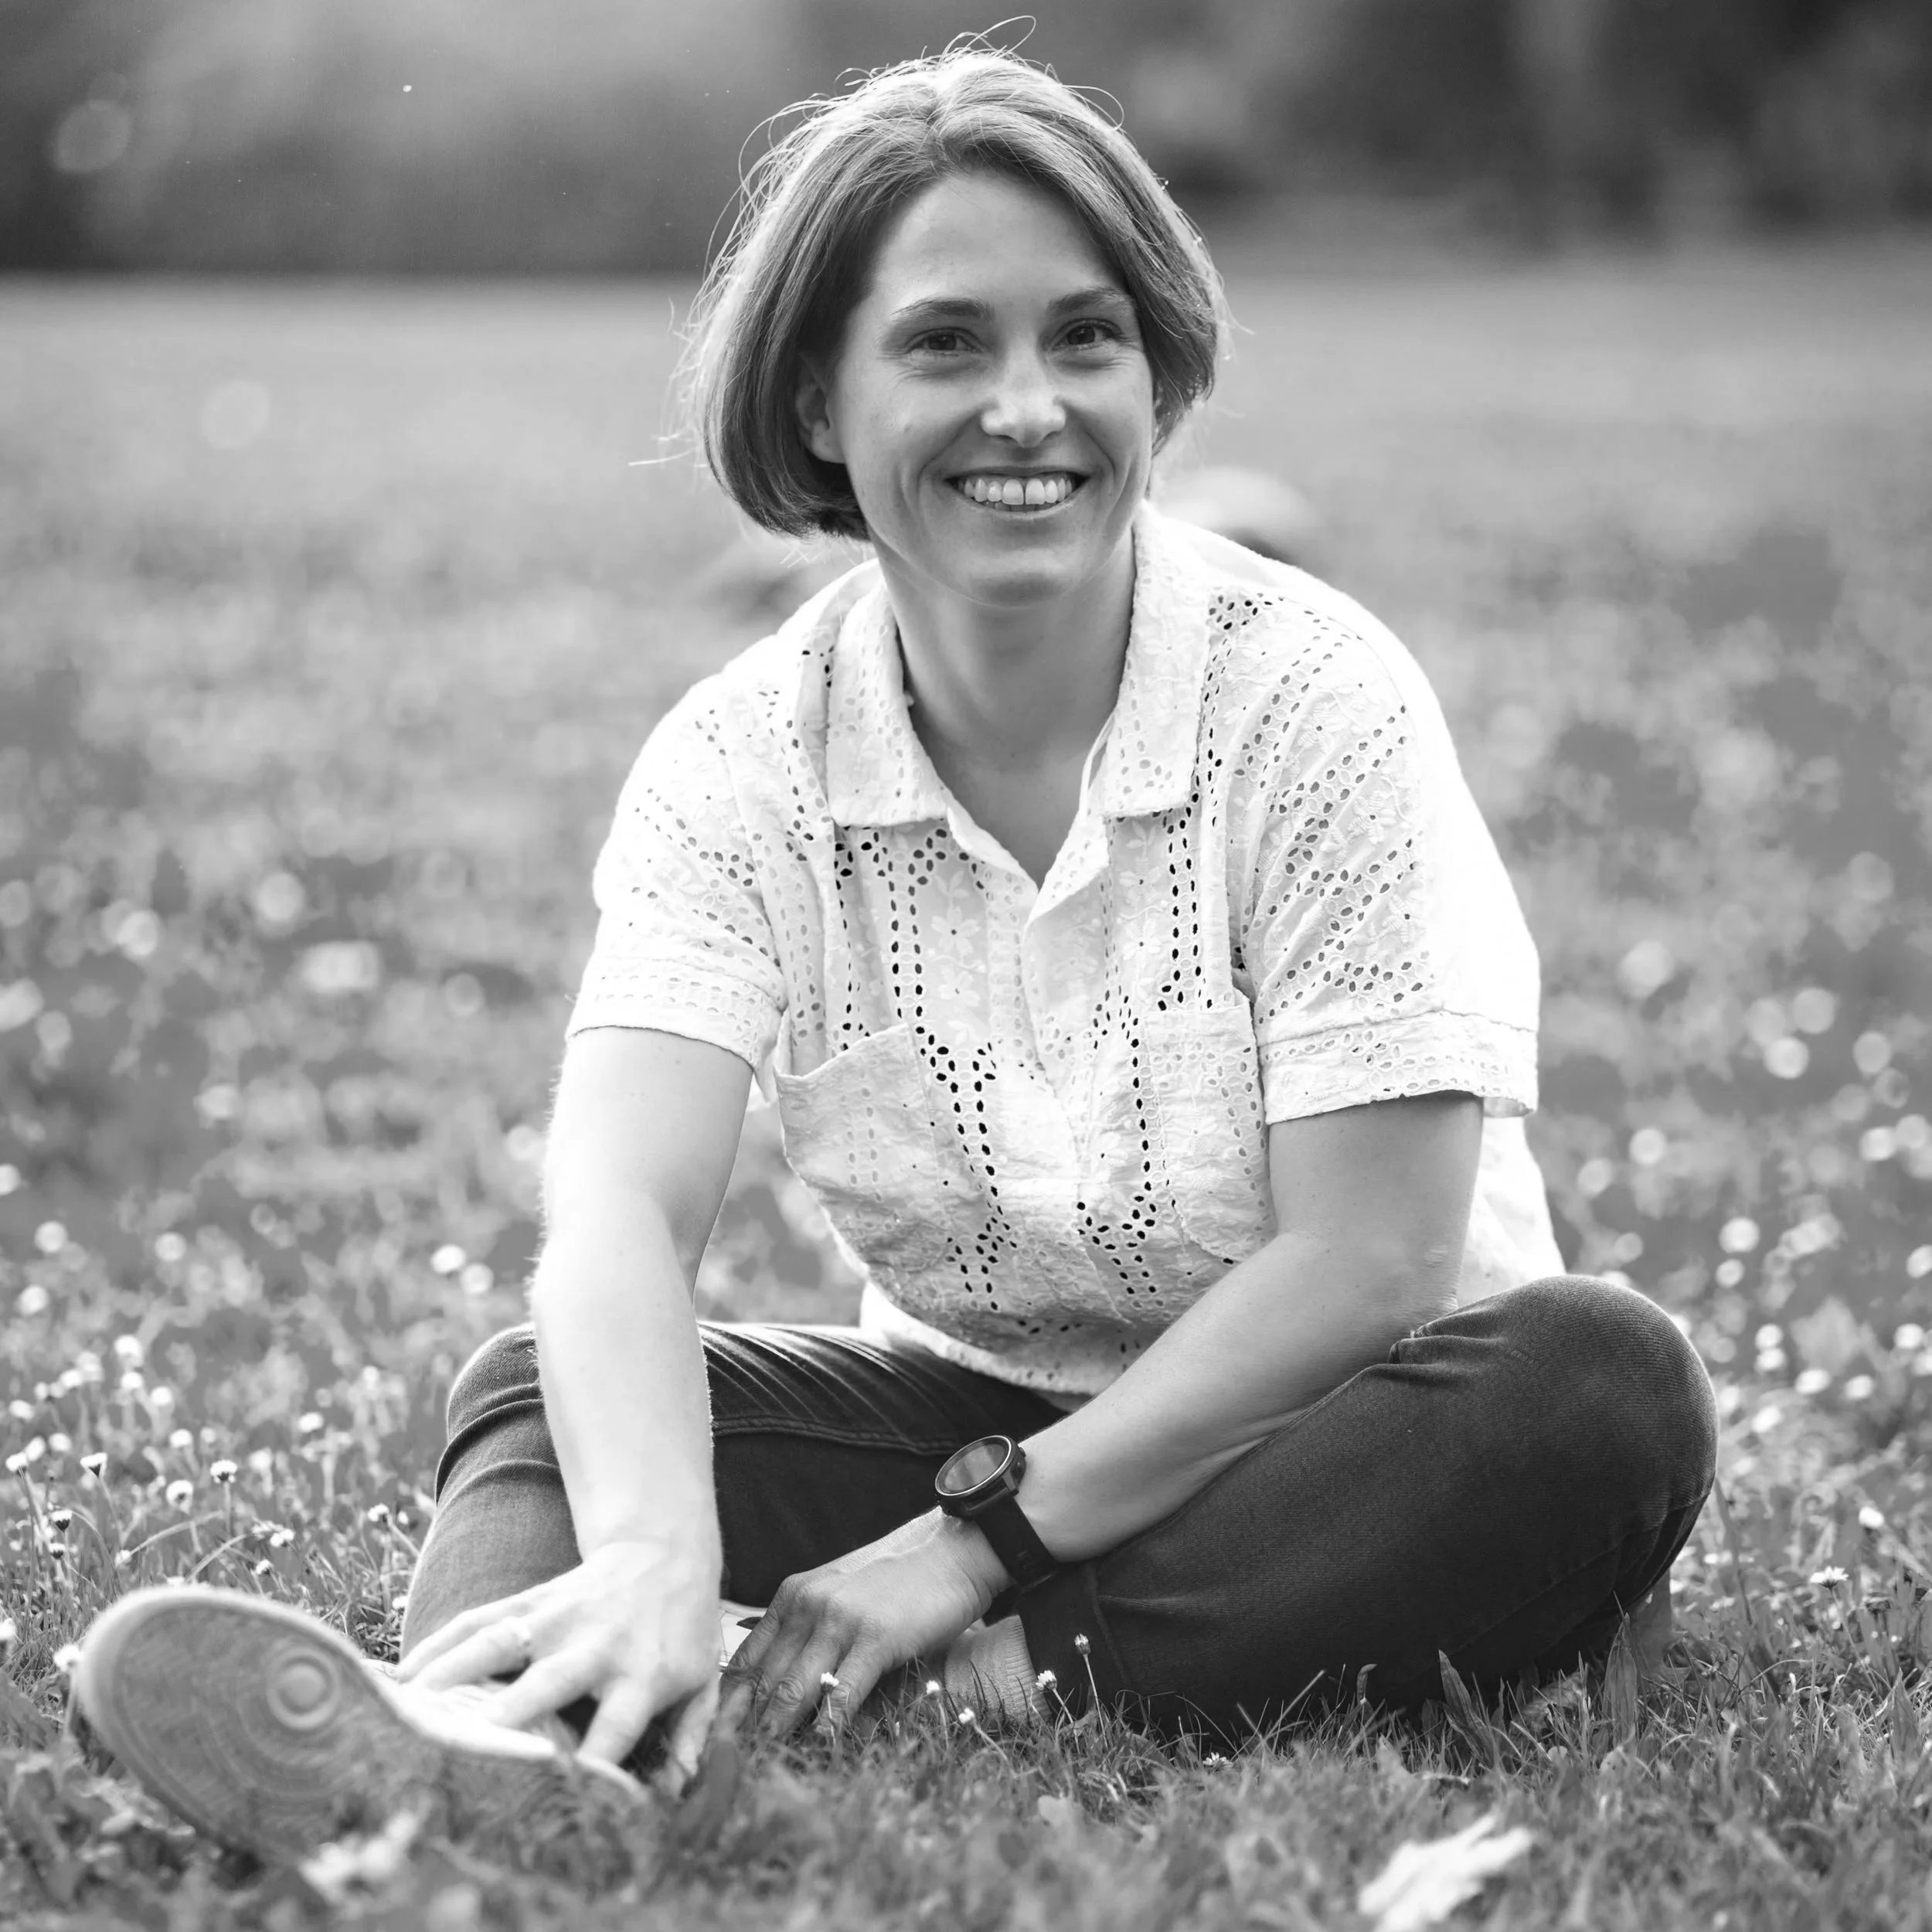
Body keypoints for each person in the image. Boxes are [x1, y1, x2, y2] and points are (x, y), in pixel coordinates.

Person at [73, 46, 1717, 1863]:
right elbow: (616, 1199)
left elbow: (1372, 1255)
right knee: (544, 1392)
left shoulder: (1315, 702)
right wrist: (643, 1546)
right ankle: (496, 1728)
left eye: (1083, 340)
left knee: (1601, 1387)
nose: (1029, 407)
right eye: (944, 345)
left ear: (1151, 375)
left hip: (1352, 1437)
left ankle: (921, 1681)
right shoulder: (738, 758)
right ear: (814, 404)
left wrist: (960, 1554)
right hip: (988, 1409)